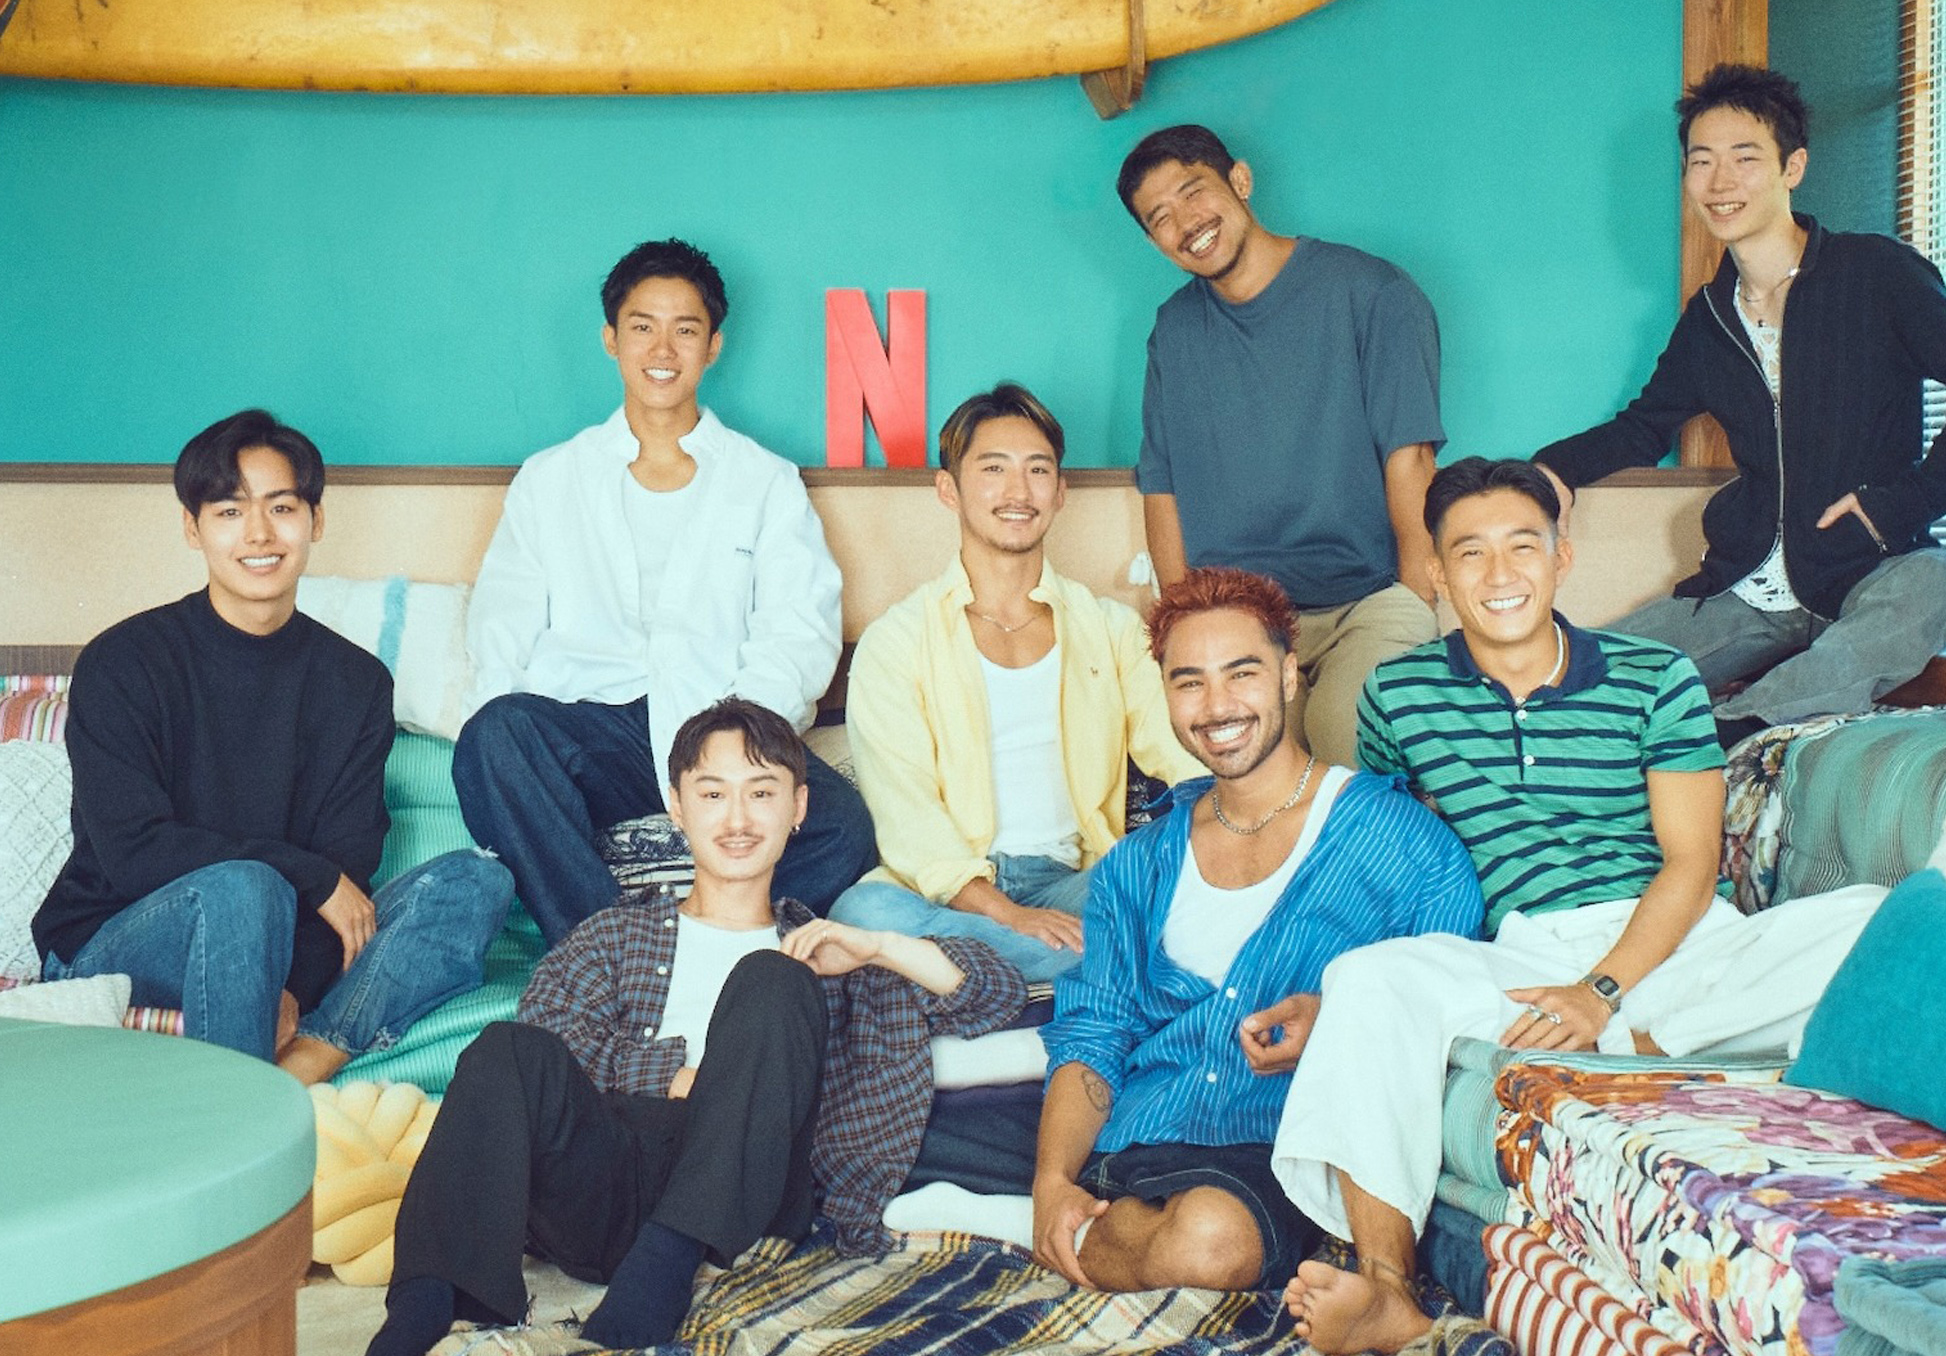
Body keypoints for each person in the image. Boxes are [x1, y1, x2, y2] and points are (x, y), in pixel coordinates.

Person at [1272, 458, 1887, 1355]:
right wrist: (1333, 999)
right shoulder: (1397, 696)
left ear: (1562, 556)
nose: (1500, 573)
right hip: (1521, 951)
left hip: (1673, 941)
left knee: (1875, 918)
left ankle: (1633, 1042)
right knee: (1366, 977)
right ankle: (1386, 1291)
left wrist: (1600, 993)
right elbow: (1396, 860)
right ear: (1436, 573)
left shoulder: (1656, 676)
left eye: (1523, 546)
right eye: (1470, 553)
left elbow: (1690, 866)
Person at [370, 698, 1025, 1356]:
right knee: (504, 1048)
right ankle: (425, 1299)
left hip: (748, 1198)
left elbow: (994, 995)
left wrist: (879, 945)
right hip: (608, 1179)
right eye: (713, 794)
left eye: (761, 793)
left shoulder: (826, 953)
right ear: (677, 808)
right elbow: (553, 1042)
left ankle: (666, 1262)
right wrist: (680, 1074)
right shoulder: (612, 935)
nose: (737, 819)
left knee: (773, 976)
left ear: (798, 808)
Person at [1030, 567, 1482, 1295]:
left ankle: (1098, 1236)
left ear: (1289, 676)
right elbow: (1095, 1034)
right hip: (1141, 1134)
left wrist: (1334, 1023)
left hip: (1277, 1146)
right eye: (1189, 682)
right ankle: (1070, 1221)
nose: (1217, 706)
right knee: (1174, 1223)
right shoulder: (1136, 865)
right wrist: (1051, 1184)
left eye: (1242, 673)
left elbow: (1448, 1005)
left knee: (1210, 1239)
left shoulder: (1403, 843)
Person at [32, 410, 512, 1083]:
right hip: (119, 936)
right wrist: (306, 878)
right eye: (230, 511)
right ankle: (237, 1112)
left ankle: (307, 1059)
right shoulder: (124, 662)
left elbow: (347, 863)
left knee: (475, 882)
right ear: (193, 528)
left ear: (316, 520)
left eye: (281, 507)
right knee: (244, 887)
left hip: (277, 934)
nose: (259, 533)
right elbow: (135, 853)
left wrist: (293, 983)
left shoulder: (355, 682)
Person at [1534, 64, 1946, 741]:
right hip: (1748, 587)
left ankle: (1734, 727)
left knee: (1944, 584)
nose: (1720, 182)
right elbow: (1643, 427)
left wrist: (1905, 502)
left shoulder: (1876, 273)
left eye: (1744, 158)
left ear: (1792, 167)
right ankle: (1717, 718)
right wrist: (1550, 468)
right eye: (1702, 162)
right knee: (1579, 678)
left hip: (1871, 565)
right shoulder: (1710, 319)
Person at [454, 237, 877, 946]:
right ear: (611, 338)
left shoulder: (763, 480)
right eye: (642, 326)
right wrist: (512, 756)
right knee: (493, 737)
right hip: (592, 733)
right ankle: (609, 950)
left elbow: (798, 627)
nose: (662, 349)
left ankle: (719, 945)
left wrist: (740, 744)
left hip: (720, 722)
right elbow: (501, 628)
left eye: (685, 330)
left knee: (844, 826)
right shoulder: (551, 479)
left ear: (713, 346)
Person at [833, 383, 1204, 982]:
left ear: (1060, 492)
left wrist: (1225, 829)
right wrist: (1009, 916)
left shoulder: (1110, 629)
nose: (1018, 491)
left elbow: (1182, 749)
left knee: (1181, 872)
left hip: (1073, 883)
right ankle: (1107, 962)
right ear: (948, 489)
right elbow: (908, 818)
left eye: (1037, 470)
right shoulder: (896, 642)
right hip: (945, 896)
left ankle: (984, 968)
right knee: (863, 912)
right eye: (993, 469)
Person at [1118, 123, 1445, 767]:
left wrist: (1416, 600)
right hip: (1238, 616)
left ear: (1240, 180)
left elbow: (1410, 456)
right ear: (1155, 243)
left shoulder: (1373, 293)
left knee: (1344, 736)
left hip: (1367, 599)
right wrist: (1180, 628)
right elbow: (1161, 486)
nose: (1186, 222)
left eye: (1193, 192)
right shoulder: (1174, 330)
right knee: (1246, 767)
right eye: (1160, 218)